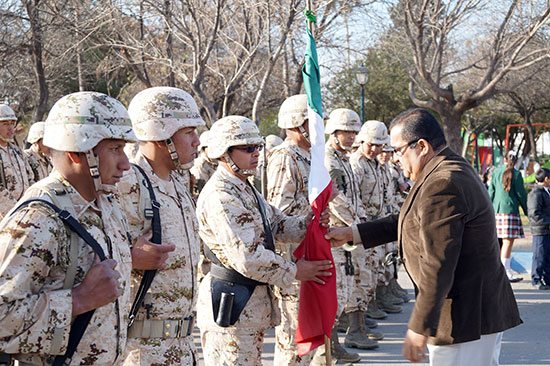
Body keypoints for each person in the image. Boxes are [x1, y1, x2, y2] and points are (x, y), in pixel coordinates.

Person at [325, 108, 522, 366]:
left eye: (398, 150)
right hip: (473, 312)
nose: (394, 158)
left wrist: (419, 326)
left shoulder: (443, 182)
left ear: (422, 146)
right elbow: (410, 218)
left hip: (465, 318)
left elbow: (437, 263)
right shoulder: (444, 170)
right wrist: (354, 233)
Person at [0, 91, 150, 365]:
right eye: (115, 149)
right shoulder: (39, 217)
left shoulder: (105, 204)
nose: (126, 163)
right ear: (77, 153)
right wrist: (78, 300)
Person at [195, 115, 333, 366]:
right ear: (224, 152)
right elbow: (248, 257)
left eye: (258, 147)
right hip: (231, 302)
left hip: (248, 303)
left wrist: (310, 222)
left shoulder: (245, 187)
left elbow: (278, 225)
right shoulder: (221, 195)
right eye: (248, 148)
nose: (257, 154)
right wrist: (294, 270)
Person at [117, 87, 205, 365]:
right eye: (188, 131)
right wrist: (128, 257)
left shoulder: (178, 184)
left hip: (181, 346)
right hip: (144, 350)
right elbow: (95, 258)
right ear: (162, 134)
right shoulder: (128, 182)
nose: (197, 140)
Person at [321, 108, 369, 362]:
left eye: (354, 132)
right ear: (334, 132)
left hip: (348, 234)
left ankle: (334, 345)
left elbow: (354, 195)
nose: (351, 137)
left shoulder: (343, 159)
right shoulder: (329, 161)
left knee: (347, 290)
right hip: (337, 234)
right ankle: (330, 347)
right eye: (346, 132)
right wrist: (356, 224)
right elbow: (336, 200)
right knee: (337, 293)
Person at [350, 120, 401, 319]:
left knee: (374, 271)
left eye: (378, 145)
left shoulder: (377, 165)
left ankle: (365, 311)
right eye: (370, 144)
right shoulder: (356, 164)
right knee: (361, 275)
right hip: (363, 226)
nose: (374, 149)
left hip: (378, 223)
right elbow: (352, 198)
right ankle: (356, 320)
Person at [488, 150, 528, 282]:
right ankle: (505, 272)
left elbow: (490, 192)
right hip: (510, 210)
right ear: (516, 161)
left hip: (496, 210)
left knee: (498, 243)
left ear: (505, 160)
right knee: (507, 244)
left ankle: (498, 272)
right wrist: (528, 212)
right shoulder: (516, 175)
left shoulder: (496, 172)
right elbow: (521, 195)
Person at [0, 104, 34, 219]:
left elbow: (30, 178)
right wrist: (16, 212)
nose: (10, 128)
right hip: (6, 216)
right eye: (5, 124)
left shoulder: (16, 150)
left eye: (12, 123)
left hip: (24, 212)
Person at [527, 168, 550, 290]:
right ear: (546, 179)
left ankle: (547, 279)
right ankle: (536, 279)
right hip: (540, 230)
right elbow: (534, 214)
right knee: (539, 255)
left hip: (547, 229)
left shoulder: (546, 192)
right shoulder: (535, 194)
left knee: (547, 256)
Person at [190, 130, 218, 196]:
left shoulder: (218, 163)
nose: (215, 149)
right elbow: (200, 193)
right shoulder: (199, 166)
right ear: (203, 148)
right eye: (211, 147)